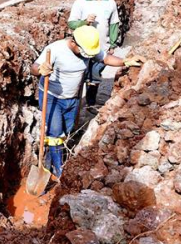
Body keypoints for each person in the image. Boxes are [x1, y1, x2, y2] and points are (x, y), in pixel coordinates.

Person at [30, 26, 143, 177]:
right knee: (55, 132)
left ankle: (50, 158)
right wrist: (40, 70)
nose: (87, 56)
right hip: (52, 97)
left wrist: (126, 61)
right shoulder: (56, 49)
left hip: (73, 98)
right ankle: (58, 170)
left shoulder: (87, 48)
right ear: (74, 42)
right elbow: (34, 67)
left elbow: (105, 58)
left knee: (66, 130)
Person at [67, 0, 120, 103]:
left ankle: (90, 103)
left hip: (101, 47)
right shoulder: (81, 2)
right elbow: (71, 23)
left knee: (95, 76)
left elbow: (114, 24)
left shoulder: (110, 4)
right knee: (80, 75)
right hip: (82, 47)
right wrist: (84, 22)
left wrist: (112, 44)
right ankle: (75, 103)